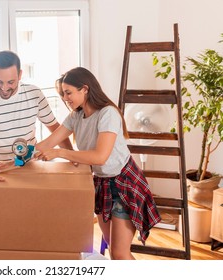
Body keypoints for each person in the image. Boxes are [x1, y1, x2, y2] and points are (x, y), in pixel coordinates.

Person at [33, 67, 161, 260]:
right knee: (113, 248)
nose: (65, 98)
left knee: (119, 253)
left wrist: (60, 152)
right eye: (63, 94)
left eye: (68, 93)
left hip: (124, 183)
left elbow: (100, 157)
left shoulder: (107, 114)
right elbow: (46, 144)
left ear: (84, 89)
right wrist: (14, 160)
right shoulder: (76, 116)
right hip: (102, 184)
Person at [0, 50, 74, 236]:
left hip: (28, 168)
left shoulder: (34, 94)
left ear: (20, 75)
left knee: (31, 230)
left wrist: (74, 161)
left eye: (11, 82)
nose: (4, 88)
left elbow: (56, 130)